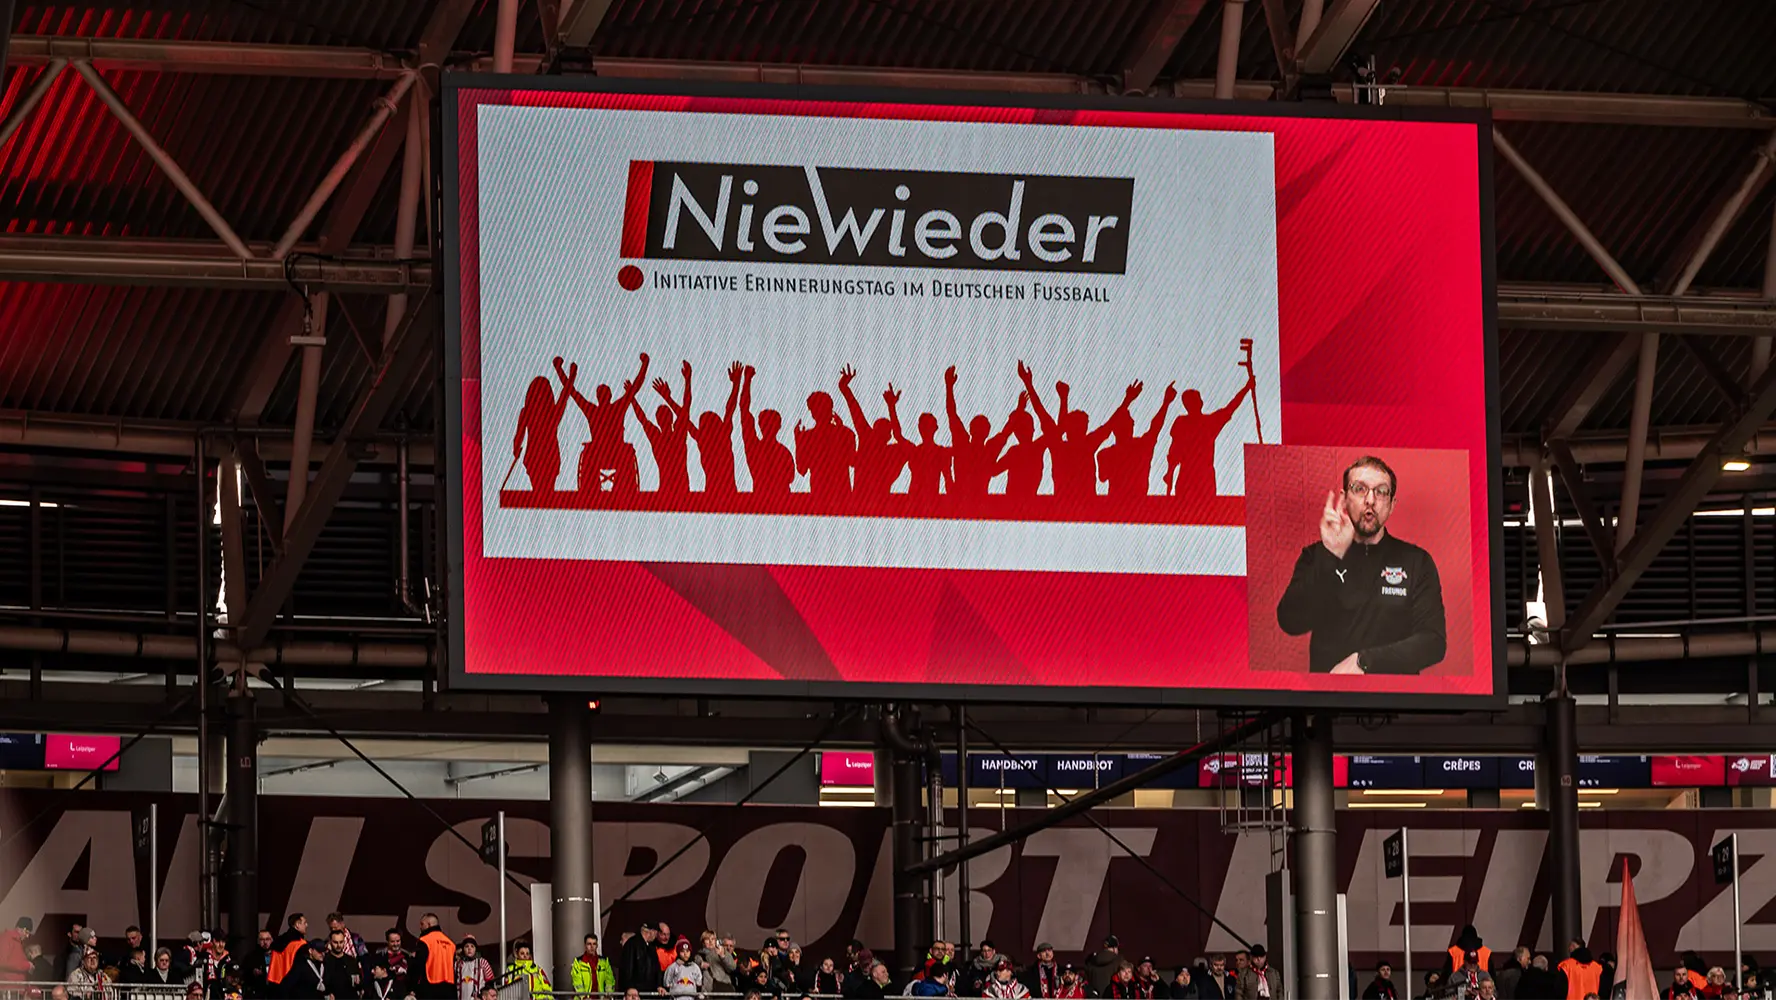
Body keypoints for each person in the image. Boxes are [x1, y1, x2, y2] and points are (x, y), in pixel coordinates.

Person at [1276, 455, 1448, 675]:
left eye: (1381, 492)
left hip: (1392, 703)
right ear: (1345, 498)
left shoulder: (1417, 561)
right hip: (1328, 702)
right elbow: (1291, 621)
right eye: (1359, 489)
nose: (1370, 500)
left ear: (1392, 504)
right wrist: (1333, 555)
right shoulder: (1317, 555)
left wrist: (1364, 661)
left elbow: (1433, 642)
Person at [1164, 366, 1255, 502]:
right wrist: (1246, 388)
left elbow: (1230, 408)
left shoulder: (1201, 422)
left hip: (1199, 478)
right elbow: (1174, 452)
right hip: (1195, 478)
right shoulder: (1198, 423)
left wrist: (1246, 388)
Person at [944, 367, 1018, 497]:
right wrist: (949, 387)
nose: (980, 432)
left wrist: (949, 387)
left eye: (982, 428)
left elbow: (1007, 431)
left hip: (973, 498)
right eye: (979, 428)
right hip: (963, 497)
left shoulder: (985, 449)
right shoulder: (968, 445)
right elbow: (952, 414)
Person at [1099, 382, 1176, 497]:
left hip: (1131, 505)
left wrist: (1166, 403)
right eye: (1127, 422)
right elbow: (1103, 477)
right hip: (1125, 505)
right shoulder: (1107, 454)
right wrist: (1165, 403)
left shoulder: (1108, 453)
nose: (1132, 423)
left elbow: (1155, 427)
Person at [738, 367, 795, 498]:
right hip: (772, 503)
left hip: (777, 504)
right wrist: (747, 380)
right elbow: (744, 411)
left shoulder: (758, 449)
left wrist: (747, 380)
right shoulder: (778, 451)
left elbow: (744, 411)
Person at [413, 915, 455, 1000]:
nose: (420, 927)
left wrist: (413, 987)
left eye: (422, 924)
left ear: (429, 925)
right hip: (449, 989)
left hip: (429, 988)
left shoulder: (424, 941)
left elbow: (418, 966)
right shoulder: (451, 943)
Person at [269, 917, 310, 999]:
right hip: (292, 987)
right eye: (304, 923)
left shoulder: (278, 941)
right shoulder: (300, 944)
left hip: (275, 984)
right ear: (297, 925)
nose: (307, 925)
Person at [570, 935, 615, 999]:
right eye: (589, 944)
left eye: (594, 944)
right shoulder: (578, 962)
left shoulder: (604, 961)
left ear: (597, 946)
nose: (592, 947)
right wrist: (584, 997)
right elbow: (577, 983)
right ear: (585, 946)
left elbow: (610, 980)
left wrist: (608, 996)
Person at [619, 926, 661, 994]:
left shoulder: (651, 947)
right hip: (636, 991)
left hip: (649, 990)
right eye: (655, 933)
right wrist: (630, 987)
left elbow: (656, 968)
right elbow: (628, 967)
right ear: (651, 932)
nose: (656, 936)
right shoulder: (632, 944)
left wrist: (658, 985)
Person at [322, 933, 361, 1000]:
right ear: (330, 942)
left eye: (341, 942)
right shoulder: (324, 961)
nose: (338, 945)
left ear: (344, 942)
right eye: (335, 942)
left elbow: (358, 982)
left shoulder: (351, 960)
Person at [0, 918, 32, 985]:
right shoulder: (7, 939)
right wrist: (26, 965)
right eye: (26, 932)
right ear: (19, 929)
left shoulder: (16, 941)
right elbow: (2, 961)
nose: (27, 936)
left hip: (14, 987)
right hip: (9, 987)